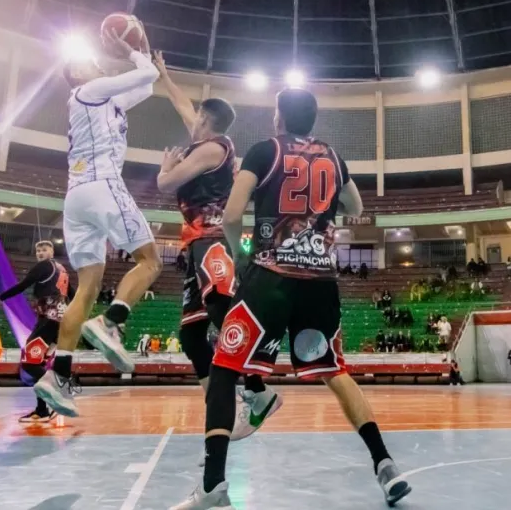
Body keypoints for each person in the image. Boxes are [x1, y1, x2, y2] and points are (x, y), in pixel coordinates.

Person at [172, 88, 410, 509]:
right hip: (319, 280)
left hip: (270, 277)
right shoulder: (333, 156)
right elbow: (355, 204)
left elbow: (230, 215)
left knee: (225, 368)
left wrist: (240, 256)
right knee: (335, 372)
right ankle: (384, 462)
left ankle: (213, 485)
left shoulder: (264, 151)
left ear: (279, 117)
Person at [35, 31, 164, 417]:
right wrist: (132, 51)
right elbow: (146, 77)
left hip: (76, 198)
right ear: (76, 74)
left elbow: (145, 86)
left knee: (86, 289)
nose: (93, 60)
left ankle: (57, 375)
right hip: (102, 185)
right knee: (151, 260)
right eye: (84, 61)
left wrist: (142, 56)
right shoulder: (89, 90)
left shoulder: (106, 99)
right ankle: (111, 322)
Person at [154, 59, 274, 441]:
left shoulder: (211, 149)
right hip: (195, 243)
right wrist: (165, 75)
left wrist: (164, 168)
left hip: (213, 237)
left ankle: (258, 391)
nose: (190, 118)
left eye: (196, 116)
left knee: (223, 310)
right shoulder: (208, 139)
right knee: (191, 336)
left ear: (205, 119)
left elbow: (166, 184)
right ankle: (222, 404)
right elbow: (182, 106)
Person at [0, 240, 69, 422]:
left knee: (29, 363)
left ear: (52, 251)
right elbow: (73, 293)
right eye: (38, 250)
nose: (40, 253)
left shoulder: (45, 266)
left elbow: (24, 284)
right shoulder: (62, 269)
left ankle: (57, 391)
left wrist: (1, 297)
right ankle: (42, 410)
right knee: (39, 364)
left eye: (44, 249)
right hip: (59, 322)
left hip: (49, 319)